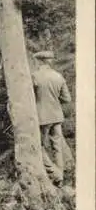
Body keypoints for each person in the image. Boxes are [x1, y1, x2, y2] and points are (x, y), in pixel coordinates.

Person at [32, 50, 72, 187]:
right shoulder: (58, 76)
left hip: (42, 117)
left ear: (40, 61)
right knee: (57, 147)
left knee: (39, 146)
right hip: (56, 116)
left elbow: (29, 97)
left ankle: (55, 174)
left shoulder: (34, 76)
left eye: (37, 61)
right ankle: (59, 179)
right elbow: (67, 99)